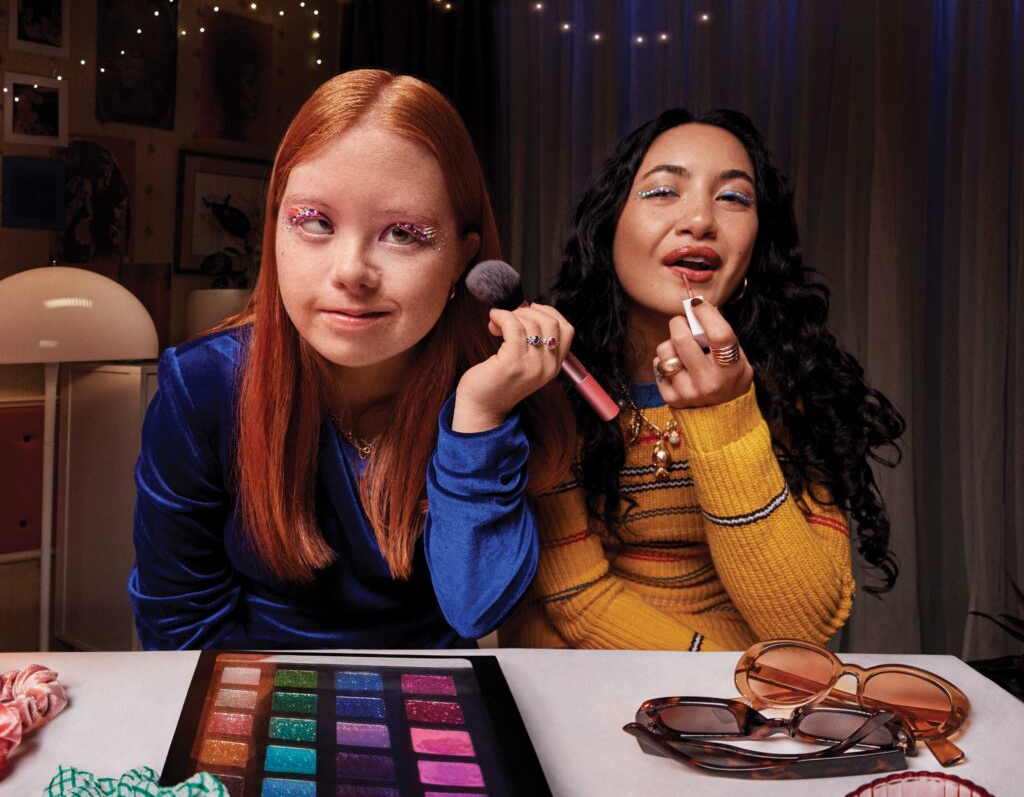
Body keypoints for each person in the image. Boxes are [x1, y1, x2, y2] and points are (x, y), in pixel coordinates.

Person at [129, 69, 575, 649]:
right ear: (275, 233)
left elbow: (478, 609)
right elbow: (179, 623)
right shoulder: (203, 384)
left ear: (462, 261)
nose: (350, 273)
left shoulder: (498, 382)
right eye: (314, 223)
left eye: (404, 233)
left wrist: (479, 419)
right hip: (259, 697)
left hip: (431, 700)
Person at [501, 108, 905, 651]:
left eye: (734, 198)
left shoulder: (799, 390)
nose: (700, 220)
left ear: (758, 242)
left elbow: (803, 625)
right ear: (608, 224)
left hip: (745, 710)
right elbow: (575, 601)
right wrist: (721, 677)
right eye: (663, 191)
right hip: (584, 692)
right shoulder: (551, 388)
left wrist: (726, 414)